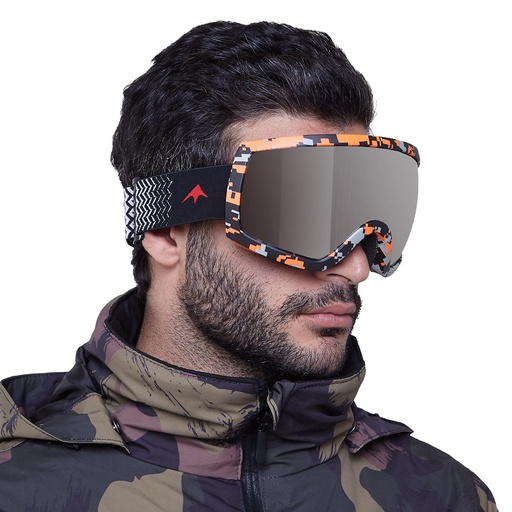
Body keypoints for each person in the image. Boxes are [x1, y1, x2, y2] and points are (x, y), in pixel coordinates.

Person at [0, 20, 498, 512]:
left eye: (363, 221)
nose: (355, 268)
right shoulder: (18, 487)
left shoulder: (440, 495)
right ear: (166, 230)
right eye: (300, 217)